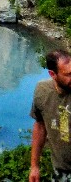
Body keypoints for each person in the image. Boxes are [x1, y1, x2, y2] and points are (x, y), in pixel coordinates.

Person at [30, 49, 71, 182]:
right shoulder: (42, 91)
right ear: (53, 74)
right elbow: (40, 126)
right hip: (60, 169)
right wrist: (34, 166)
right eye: (68, 74)